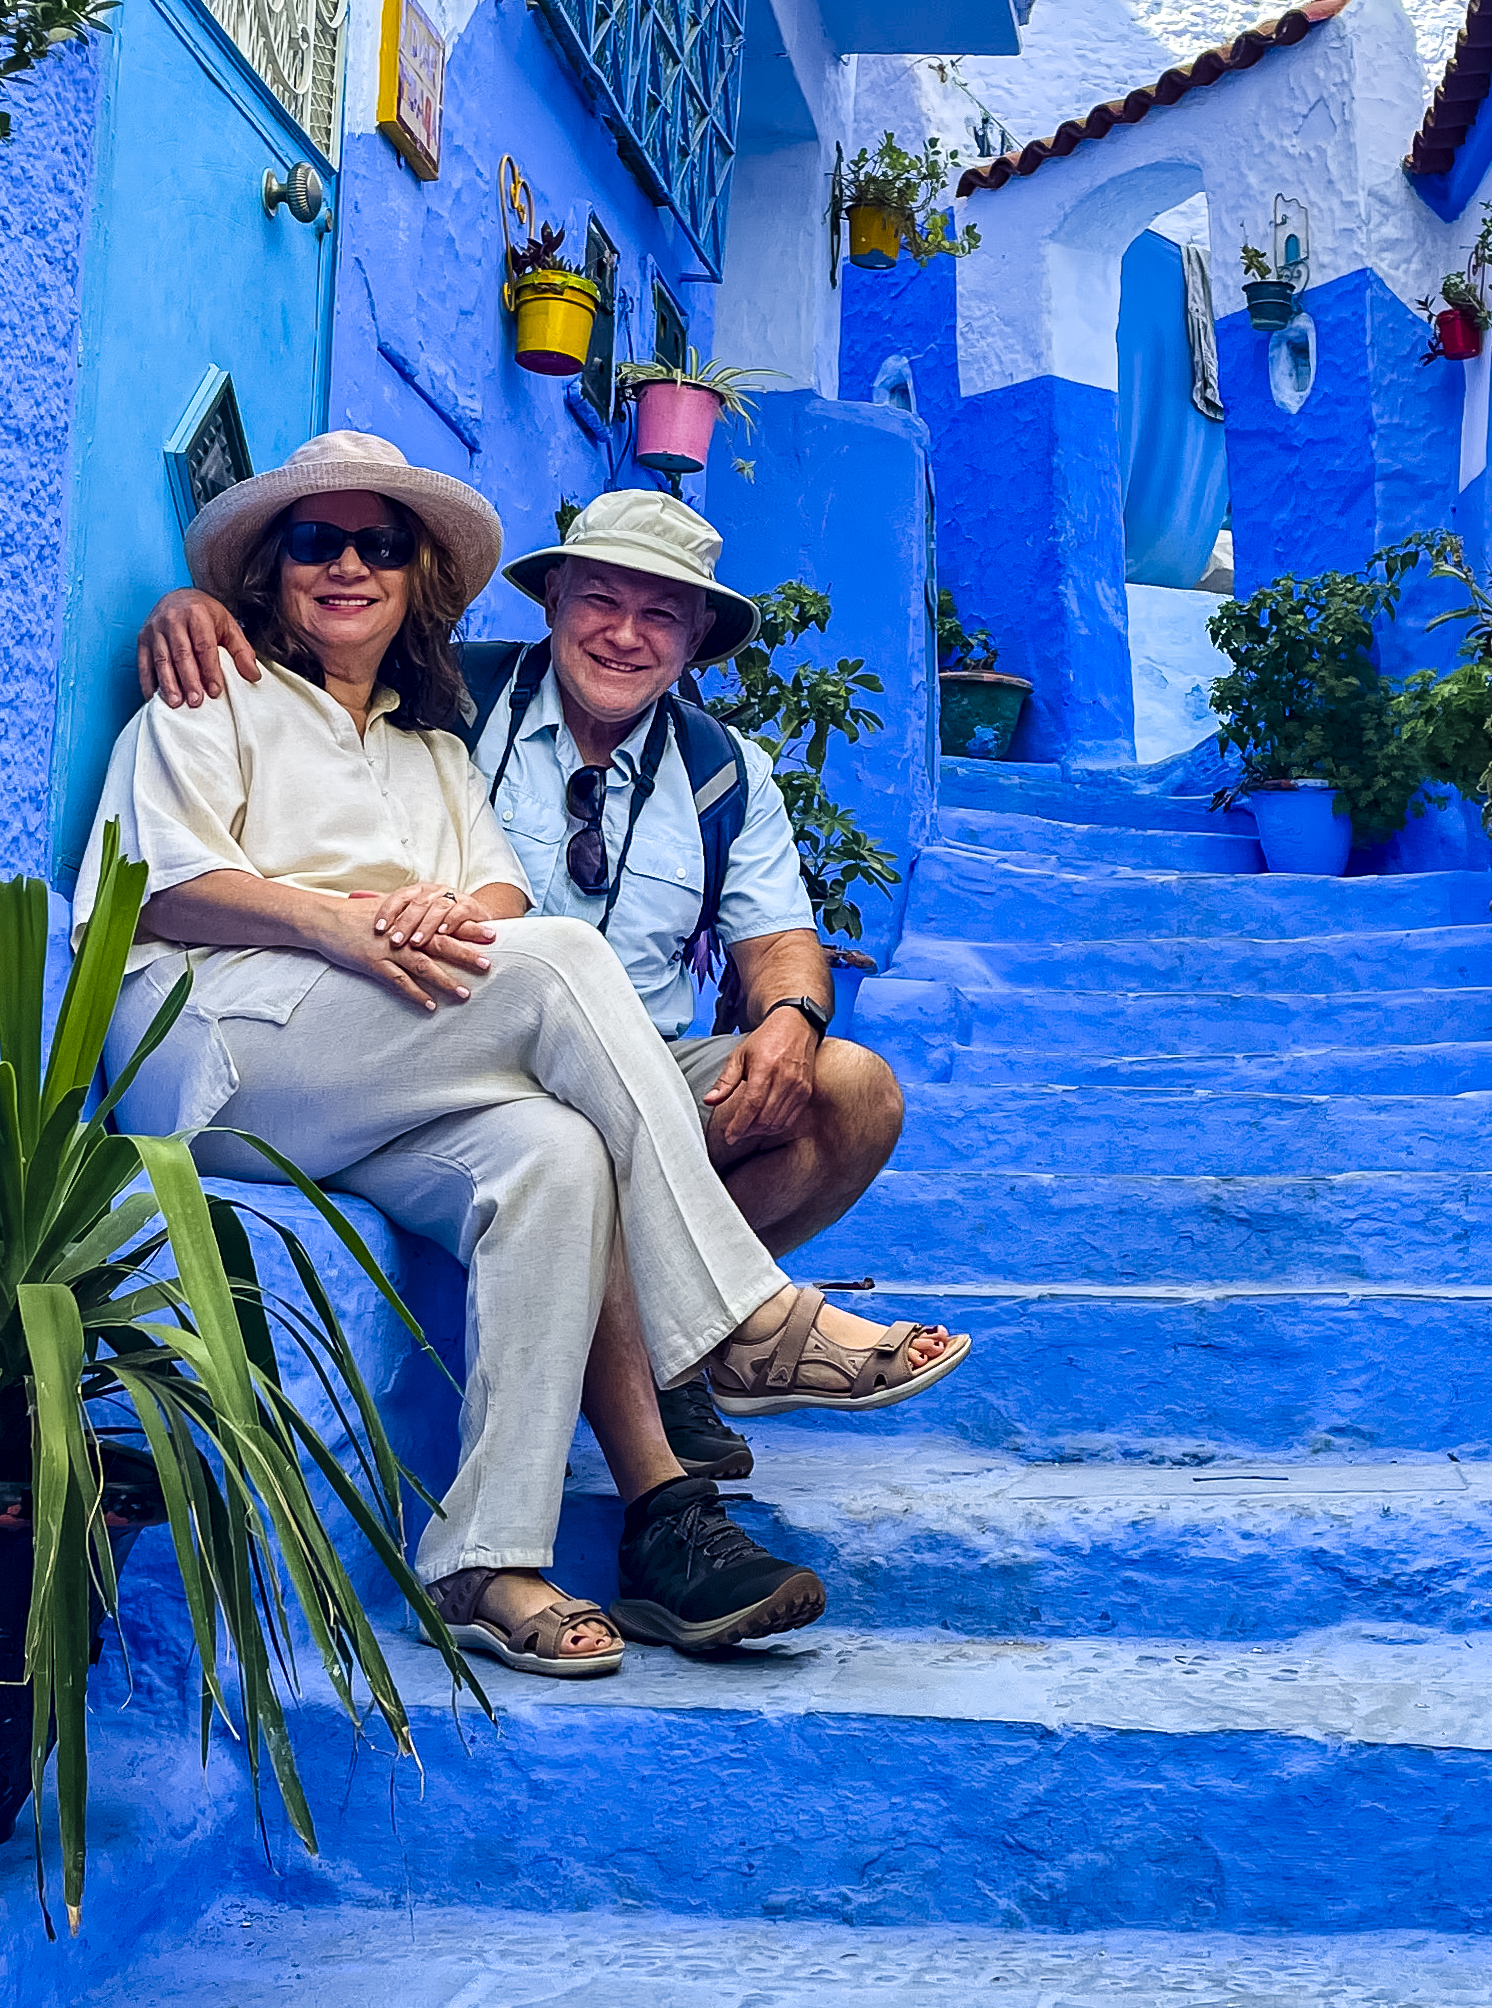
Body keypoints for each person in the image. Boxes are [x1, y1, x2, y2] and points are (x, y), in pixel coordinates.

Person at [74, 432, 967, 1677]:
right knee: (560, 964)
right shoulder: (217, 691)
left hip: (403, 1058)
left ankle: (487, 1559)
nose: (345, 565)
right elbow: (156, 882)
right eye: (313, 542)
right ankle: (741, 1322)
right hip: (225, 1049)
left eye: (377, 546)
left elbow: (493, 897)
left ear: (416, 576)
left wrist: (455, 919)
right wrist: (343, 919)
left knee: (554, 1154)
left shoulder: (434, 743)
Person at [136, 486, 916, 1483]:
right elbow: (333, 640)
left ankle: (676, 1335)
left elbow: (782, 940)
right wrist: (194, 607)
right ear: (551, 604)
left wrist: (791, 1019)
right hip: (449, 1049)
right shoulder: (450, 701)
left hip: (649, 1071)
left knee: (853, 1092)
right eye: (600, 600)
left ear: (695, 642)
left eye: (661, 615)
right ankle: (728, 1326)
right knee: (564, 1077)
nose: (625, 636)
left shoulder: (726, 774)